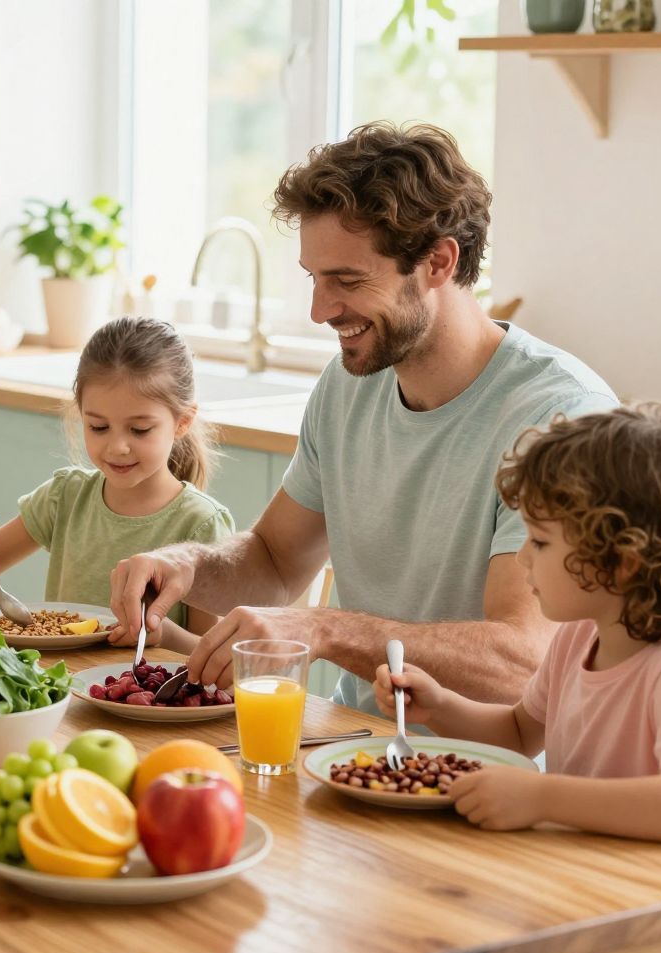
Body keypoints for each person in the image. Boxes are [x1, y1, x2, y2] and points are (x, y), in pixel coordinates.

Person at [110, 122, 617, 708]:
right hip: (355, 752)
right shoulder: (350, 384)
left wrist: (325, 630)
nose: (320, 309)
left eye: (347, 281)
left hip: (505, 782)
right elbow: (275, 561)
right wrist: (188, 564)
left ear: (439, 262)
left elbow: (524, 664)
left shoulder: (562, 419)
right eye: (315, 279)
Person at [373, 404, 661, 953]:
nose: (523, 562)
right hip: (576, 926)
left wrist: (543, 799)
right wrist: (442, 706)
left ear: (622, 560)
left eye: (540, 542)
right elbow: (516, 731)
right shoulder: (575, 639)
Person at [0, 316, 234, 654]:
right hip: (60, 688)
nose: (117, 447)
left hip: (137, 699)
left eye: (139, 430)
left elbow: (213, 652)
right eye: (99, 427)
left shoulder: (201, 524)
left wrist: (163, 634)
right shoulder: (65, 496)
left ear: (182, 422)